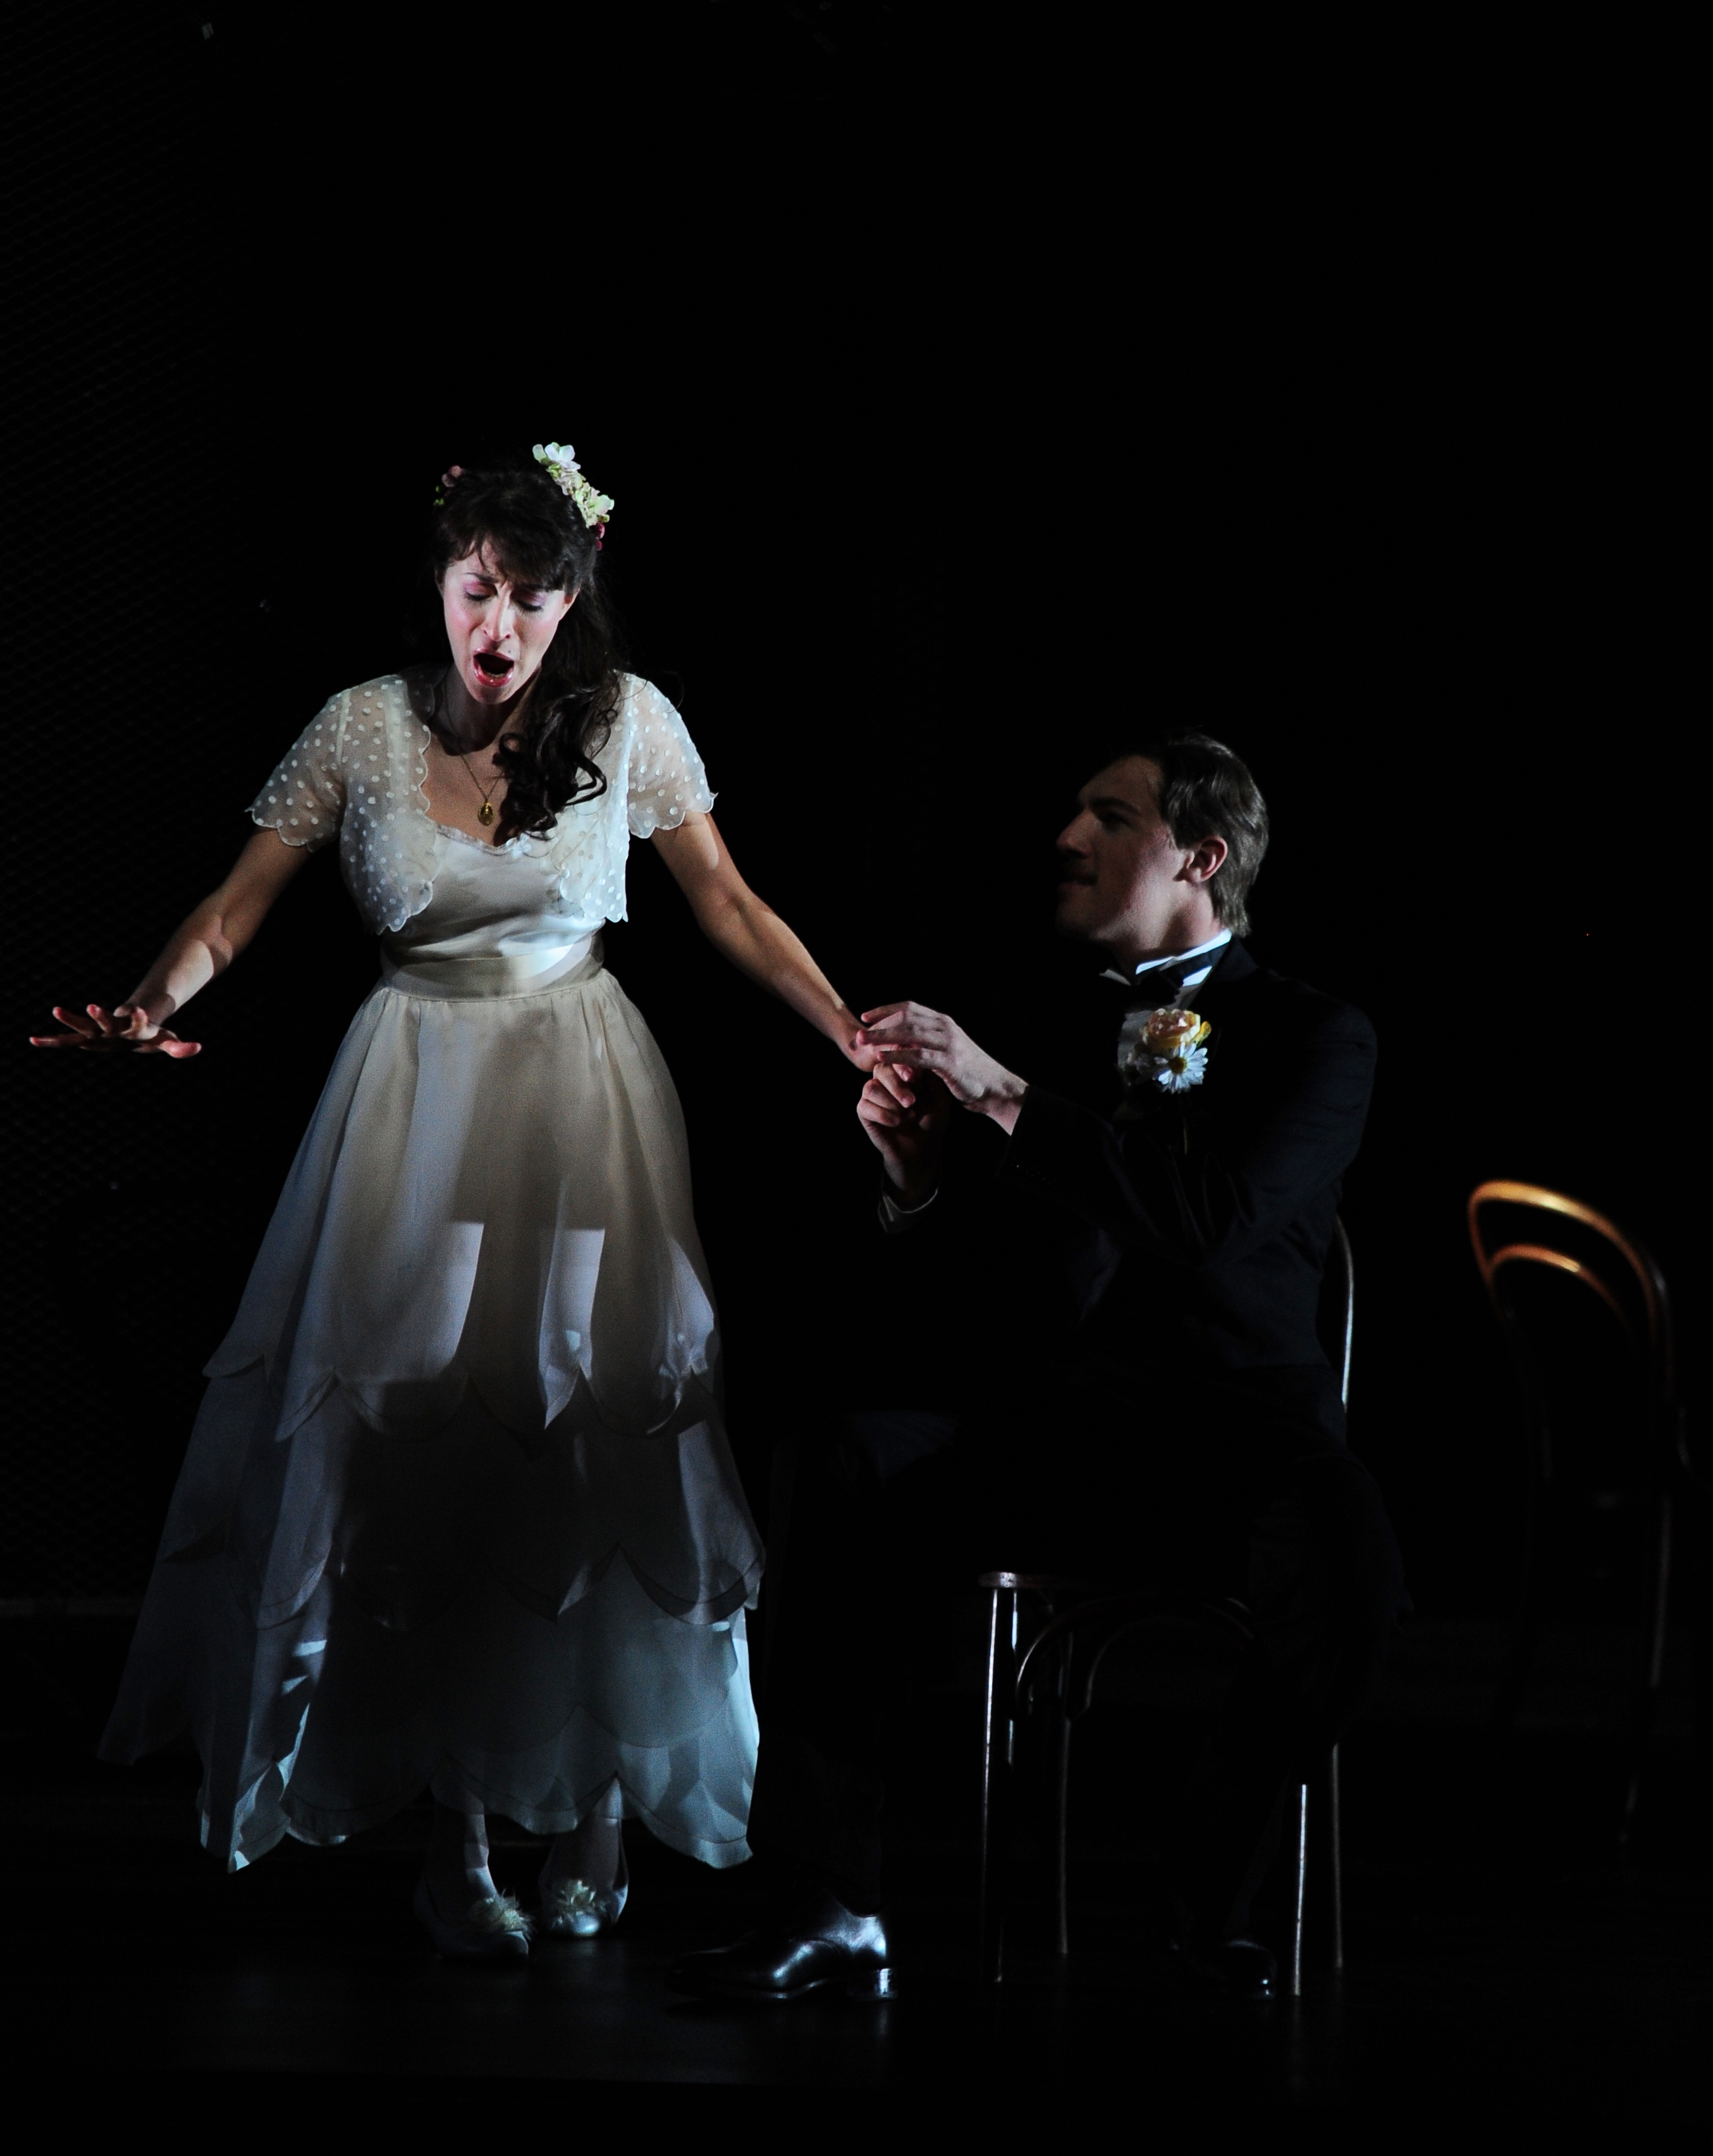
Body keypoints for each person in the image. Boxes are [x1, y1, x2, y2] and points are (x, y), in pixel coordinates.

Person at [33, 444, 869, 1957]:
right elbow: (234, 906)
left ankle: (599, 1810)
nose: (501, 625)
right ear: (440, 580)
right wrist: (150, 1002)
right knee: (419, 1455)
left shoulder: (625, 719)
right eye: (480, 590)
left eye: (533, 599)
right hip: (415, 1092)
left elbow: (729, 902)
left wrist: (849, 1032)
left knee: (587, 1435)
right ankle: (460, 1832)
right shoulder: (361, 724)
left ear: (573, 601)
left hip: (578, 1092)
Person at [670, 732, 1408, 2002]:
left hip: (1238, 1438)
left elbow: (1211, 1218)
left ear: (1201, 857)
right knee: (835, 1461)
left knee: (1354, 1580)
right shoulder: (1046, 1024)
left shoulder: (1316, 1035)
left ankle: (1202, 1902)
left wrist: (1004, 1095)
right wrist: (911, 1175)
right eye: (1074, 813)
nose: (1067, 838)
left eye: (1109, 817)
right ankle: (828, 1903)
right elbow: (970, 1273)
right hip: (1058, 1437)